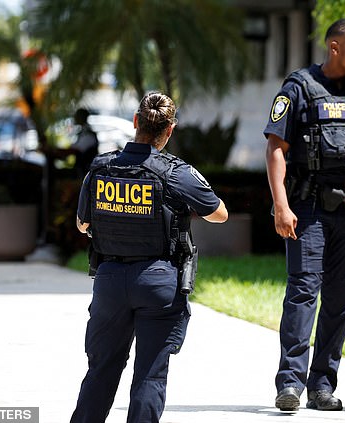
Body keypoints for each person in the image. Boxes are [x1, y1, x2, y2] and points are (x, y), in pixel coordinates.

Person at [264, 18, 345, 411]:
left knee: (341, 300)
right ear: (335, 48)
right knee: (303, 294)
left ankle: (322, 386)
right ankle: (290, 384)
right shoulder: (300, 89)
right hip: (308, 211)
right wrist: (281, 206)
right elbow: (276, 149)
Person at [70, 91, 228, 423]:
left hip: (110, 281)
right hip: (157, 280)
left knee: (101, 369)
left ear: (135, 122)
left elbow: (83, 223)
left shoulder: (101, 167)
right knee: (149, 374)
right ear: (169, 130)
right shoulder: (175, 173)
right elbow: (219, 214)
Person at [52, 108, 99, 176]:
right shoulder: (83, 132)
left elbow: (74, 150)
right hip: (81, 170)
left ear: (82, 117)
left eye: (77, 116)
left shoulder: (88, 134)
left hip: (84, 172)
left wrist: (55, 151)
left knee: (57, 174)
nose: (75, 117)